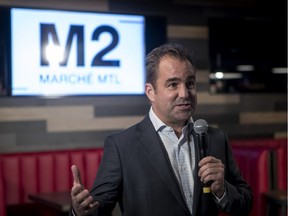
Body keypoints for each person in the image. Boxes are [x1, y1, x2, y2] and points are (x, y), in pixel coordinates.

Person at [70, 43, 253, 216]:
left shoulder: (216, 138)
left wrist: (222, 190)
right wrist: (80, 211)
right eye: (173, 84)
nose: (184, 94)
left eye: (190, 83)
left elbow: (245, 202)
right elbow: (98, 209)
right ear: (151, 92)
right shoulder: (121, 146)